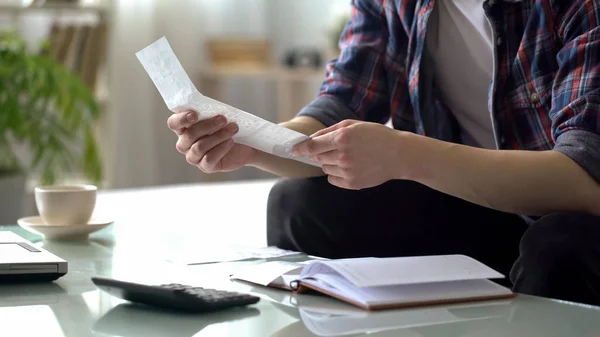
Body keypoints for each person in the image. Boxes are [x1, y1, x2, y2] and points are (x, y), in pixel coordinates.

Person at [167, 0, 600, 306]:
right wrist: (248, 141)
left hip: (576, 213)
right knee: (297, 204)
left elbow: (584, 179)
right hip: (483, 214)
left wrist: (406, 155)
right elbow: (336, 108)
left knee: (555, 247)